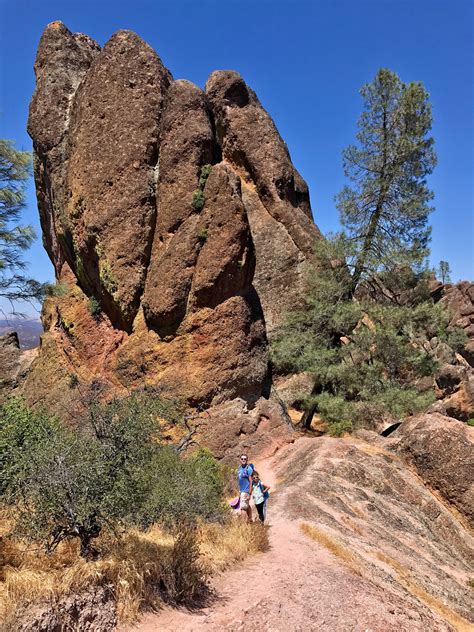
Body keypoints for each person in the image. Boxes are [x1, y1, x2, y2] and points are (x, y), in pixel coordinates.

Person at [237, 454, 254, 522]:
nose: (243, 460)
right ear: (240, 460)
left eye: (245, 459)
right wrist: (239, 491)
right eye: (242, 459)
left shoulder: (248, 469)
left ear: (247, 460)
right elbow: (240, 480)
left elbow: (251, 481)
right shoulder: (239, 468)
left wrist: (249, 493)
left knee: (243, 508)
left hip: (246, 491)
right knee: (247, 505)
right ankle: (250, 519)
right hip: (242, 491)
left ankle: (243, 525)